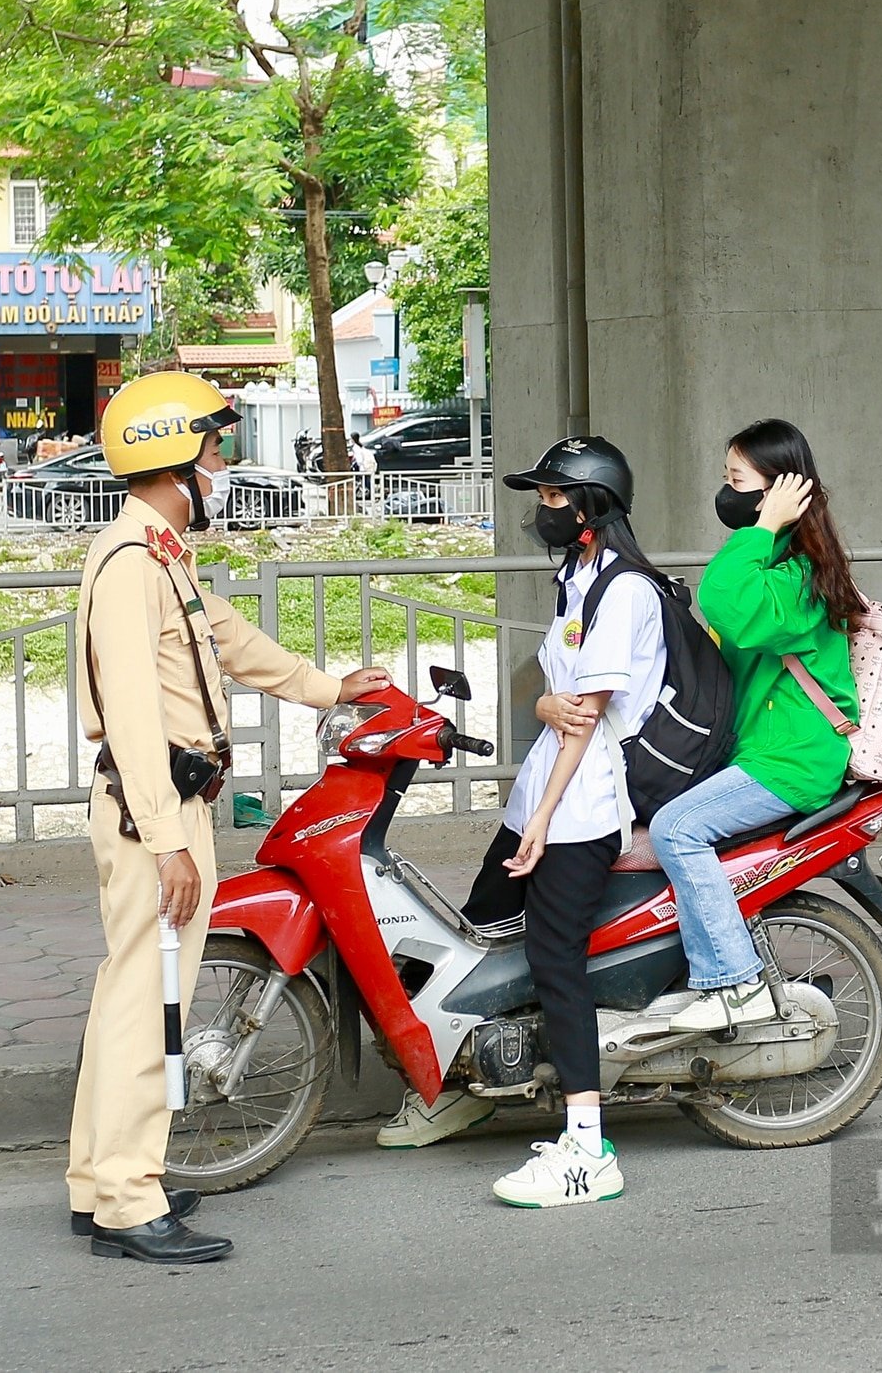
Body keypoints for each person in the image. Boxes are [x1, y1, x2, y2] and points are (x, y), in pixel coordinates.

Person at [68, 370, 388, 1263]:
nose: (221, 465)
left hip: (165, 802)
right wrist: (167, 839)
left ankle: (98, 1179)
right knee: (147, 1002)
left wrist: (328, 686)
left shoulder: (163, 554)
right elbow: (132, 712)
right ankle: (131, 1200)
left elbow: (229, 640)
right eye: (211, 449)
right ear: (174, 459)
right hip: (152, 810)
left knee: (126, 992)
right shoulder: (134, 563)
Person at [375, 435, 666, 1209]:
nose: (542, 510)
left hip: (583, 807)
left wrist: (539, 821)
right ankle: (466, 1086)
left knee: (553, 958)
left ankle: (586, 1146)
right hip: (542, 795)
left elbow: (587, 721)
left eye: (552, 496)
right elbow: (555, 698)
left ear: (593, 504)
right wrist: (539, 718)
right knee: (479, 927)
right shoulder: (578, 578)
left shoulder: (626, 590)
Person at [649, 417, 867, 1032]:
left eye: (737, 479)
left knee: (677, 830)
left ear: (780, 490)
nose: (727, 492)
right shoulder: (769, 556)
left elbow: (732, 608)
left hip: (793, 758)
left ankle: (734, 985)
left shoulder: (804, 574)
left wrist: (767, 525)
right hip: (755, 753)